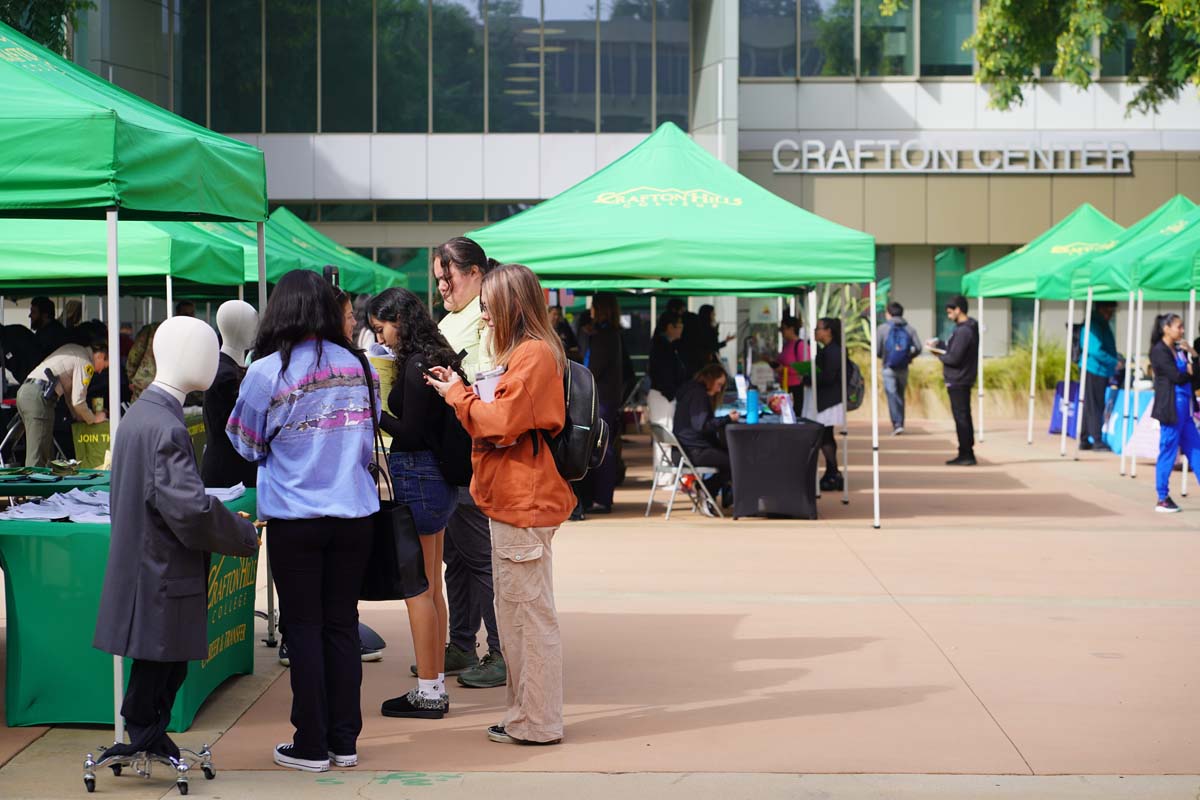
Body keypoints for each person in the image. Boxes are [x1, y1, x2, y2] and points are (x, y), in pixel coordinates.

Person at [226, 270, 379, 773]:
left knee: (304, 628)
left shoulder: (265, 372)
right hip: (354, 516)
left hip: (296, 519)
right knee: (342, 625)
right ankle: (344, 741)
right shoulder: (360, 366)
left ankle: (311, 743)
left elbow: (245, 443)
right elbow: (372, 431)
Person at [93, 316, 259, 763]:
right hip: (163, 571)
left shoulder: (141, 414)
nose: (213, 360)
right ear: (184, 357)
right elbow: (188, 510)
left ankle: (146, 739)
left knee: (156, 671)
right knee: (162, 670)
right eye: (206, 350)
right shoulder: (166, 426)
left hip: (146, 566)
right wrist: (243, 533)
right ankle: (146, 740)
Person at [425, 262, 575, 746]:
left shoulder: (532, 355)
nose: (484, 316)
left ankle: (536, 722)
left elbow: (499, 422)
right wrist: (464, 391)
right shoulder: (533, 352)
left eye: (489, 308)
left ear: (511, 307)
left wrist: (458, 396)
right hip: (517, 498)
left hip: (521, 500)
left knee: (526, 621)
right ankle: (526, 717)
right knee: (518, 620)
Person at [369, 288, 463, 719]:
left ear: (399, 321)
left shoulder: (416, 363)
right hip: (437, 478)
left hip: (418, 474)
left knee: (418, 589)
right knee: (432, 586)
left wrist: (373, 410)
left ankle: (429, 690)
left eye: (382, 328)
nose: (380, 337)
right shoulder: (434, 354)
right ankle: (435, 680)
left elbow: (409, 432)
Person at [430, 237, 506, 690]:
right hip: (454, 451)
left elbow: (493, 383)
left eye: (449, 276)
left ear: (475, 272)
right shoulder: (456, 316)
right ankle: (462, 642)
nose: (442, 285)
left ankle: (501, 649)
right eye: (438, 278)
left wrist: (453, 385)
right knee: (457, 556)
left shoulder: (488, 313)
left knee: (480, 557)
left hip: (474, 450)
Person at [16, 340, 108, 467]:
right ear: (100, 356)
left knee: (47, 454)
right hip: (40, 397)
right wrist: (93, 419)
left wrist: (78, 416)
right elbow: (78, 401)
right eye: (104, 366)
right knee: (38, 457)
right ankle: (32, 481)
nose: (100, 371)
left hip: (27, 392)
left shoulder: (75, 349)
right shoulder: (85, 362)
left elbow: (70, 398)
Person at [201, 301, 258, 490]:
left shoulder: (225, 368)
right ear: (239, 327)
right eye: (253, 323)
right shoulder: (226, 375)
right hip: (229, 474)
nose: (257, 329)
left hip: (230, 467)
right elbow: (244, 426)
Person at [1149, 313, 1200, 513]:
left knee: (1196, 449)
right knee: (1168, 450)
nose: (1182, 330)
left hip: (1186, 409)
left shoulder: (1180, 349)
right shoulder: (1159, 351)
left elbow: (1195, 374)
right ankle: (1162, 497)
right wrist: (1188, 370)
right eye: (1178, 326)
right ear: (1166, 328)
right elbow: (1176, 376)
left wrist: (1193, 355)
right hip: (1171, 408)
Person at [673, 363, 739, 511]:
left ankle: (709, 490)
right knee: (735, 461)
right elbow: (702, 426)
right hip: (692, 452)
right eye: (719, 384)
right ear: (710, 379)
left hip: (682, 451)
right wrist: (727, 419)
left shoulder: (690, 391)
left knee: (729, 457)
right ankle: (707, 489)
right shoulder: (699, 395)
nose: (719, 390)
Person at [579, 292, 622, 515]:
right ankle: (601, 496)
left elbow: (592, 368)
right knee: (602, 444)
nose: (591, 311)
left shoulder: (605, 336)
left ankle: (602, 498)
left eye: (594, 307)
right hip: (606, 396)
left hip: (601, 397)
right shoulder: (608, 333)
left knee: (602, 445)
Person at [927, 294, 979, 466]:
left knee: (961, 418)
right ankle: (965, 451)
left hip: (959, 379)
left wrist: (937, 354)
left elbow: (954, 358)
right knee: (963, 416)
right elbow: (954, 350)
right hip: (962, 378)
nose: (949, 316)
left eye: (950, 312)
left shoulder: (964, 331)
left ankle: (966, 453)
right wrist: (940, 346)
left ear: (959, 310)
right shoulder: (966, 328)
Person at [876, 302, 922, 435]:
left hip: (888, 367)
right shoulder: (909, 329)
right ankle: (900, 423)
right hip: (903, 367)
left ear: (888, 313)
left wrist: (887, 357)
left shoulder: (882, 328)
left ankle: (896, 424)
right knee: (900, 395)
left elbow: (877, 350)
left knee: (892, 395)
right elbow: (918, 348)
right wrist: (907, 357)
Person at [1079, 301, 1119, 451]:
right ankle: (1097, 440)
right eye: (1109, 310)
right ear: (1101, 309)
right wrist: (1113, 362)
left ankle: (1084, 439)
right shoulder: (1094, 324)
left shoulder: (1099, 323)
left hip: (1099, 369)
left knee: (1090, 404)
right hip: (1094, 369)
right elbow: (1095, 350)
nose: (1111, 314)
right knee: (1095, 405)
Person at [811, 318, 845, 491]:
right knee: (826, 436)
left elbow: (829, 376)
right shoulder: (829, 350)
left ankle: (833, 473)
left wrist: (810, 377)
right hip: (827, 399)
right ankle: (833, 472)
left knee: (825, 436)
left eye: (818, 328)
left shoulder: (833, 351)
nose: (815, 331)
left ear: (828, 331)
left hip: (830, 399)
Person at [648, 310, 687, 428]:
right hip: (663, 396)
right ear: (670, 327)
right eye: (680, 326)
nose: (682, 329)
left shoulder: (665, 345)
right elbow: (664, 373)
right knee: (664, 433)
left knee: (665, 432)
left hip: (665, 395)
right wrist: (670, 394)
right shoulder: (662, 346)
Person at [680, 303, 733, 376]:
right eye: (713, 314)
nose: (714, 316)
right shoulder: (706, 329)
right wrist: (715, 332)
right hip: (705, 363)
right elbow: (712, 346)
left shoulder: (698, 328)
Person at [774, 314, 809, 418]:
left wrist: (785, 369)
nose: (782, 332)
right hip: (785, 386)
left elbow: (805, 368)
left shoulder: (800, 345)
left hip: (796, 388)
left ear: (791, 329)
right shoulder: (787, 345)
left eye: (783, 329)